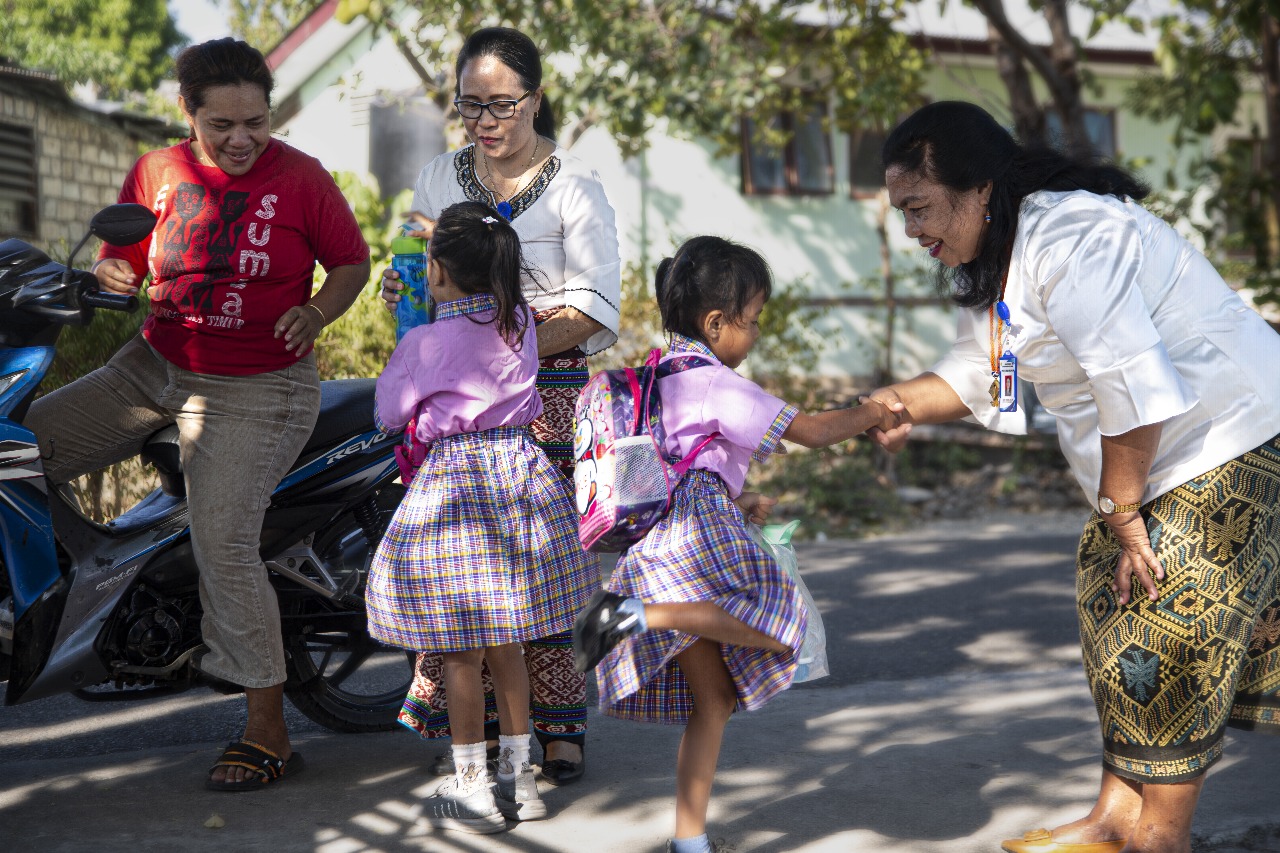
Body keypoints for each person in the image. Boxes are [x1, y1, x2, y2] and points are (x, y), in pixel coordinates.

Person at [867, 100, 1280, 853]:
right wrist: (877, 408)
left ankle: (1161, 833)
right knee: (1106, 590)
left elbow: (1131, 381)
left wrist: (1125, 511)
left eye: (919, 207)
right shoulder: (1003, 258)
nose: (912, 230)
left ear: (981, 188)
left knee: (1169, 607)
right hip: (1158, 453)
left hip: (1230, 432)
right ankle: (1115, 817)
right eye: (902, 213)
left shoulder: (1072, 234)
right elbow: (981, 375)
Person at [24, 38, 371, 790]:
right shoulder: (156, 173)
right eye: (223, 125)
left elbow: (351, 260)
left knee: (223, 540)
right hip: (153, 367)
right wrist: (112, 271)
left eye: (257, 121)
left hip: (261, 387)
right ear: (189, 114)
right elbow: (125, 257)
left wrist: (316, 311)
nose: (242, 138)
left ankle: (267, 728)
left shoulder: (304, 179)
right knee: (19, 449)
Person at [572, 236, 901, 853]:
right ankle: (633, 615)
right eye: (750, 322)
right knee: (785, 626)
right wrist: (873, 409)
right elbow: (812, 431)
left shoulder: (656, 375)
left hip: (660, 539)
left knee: (715, 700)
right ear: (715, 323)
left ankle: (690, 842)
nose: (753, 335)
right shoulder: (716, 384)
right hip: (695, 536)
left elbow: (679, 468)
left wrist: (739, 501)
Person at [380, 25, 620, 786]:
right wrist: (414, 305)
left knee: (542, 565)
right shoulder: (436, 180)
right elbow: (420, 284)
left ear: (536, 99)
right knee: (466, 571)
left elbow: (593, 307)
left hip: (545, 394)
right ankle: (479, 729)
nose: (485, 121)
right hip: (462, 400)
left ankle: (560, 726)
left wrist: (498, 347)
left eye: (502, 105)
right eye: (470, 105)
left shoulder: (577, 187)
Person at [365, 201, 598, 834]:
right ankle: (523, 779)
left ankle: (471, 783)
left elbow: (389, 412)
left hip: (454, 496)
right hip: (521, 481)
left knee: (460, 652)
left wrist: (414, 315)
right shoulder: (519, 323)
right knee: (510, 644)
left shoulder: (424, 342)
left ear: (435, 270)